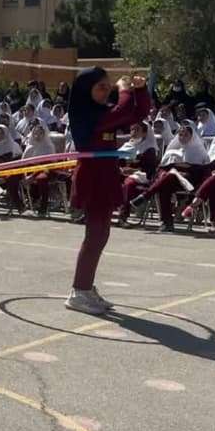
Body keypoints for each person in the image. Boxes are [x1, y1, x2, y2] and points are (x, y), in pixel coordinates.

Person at [65, 68, 151, 313]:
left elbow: (138, 114)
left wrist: (141, 90)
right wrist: (124, 89)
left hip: (107, 175)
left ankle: (86, 287)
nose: (106, 92)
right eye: (101, 87)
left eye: (107, 87)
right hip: (93, 178)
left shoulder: (104, 111)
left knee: (102, 234)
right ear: (87, 90)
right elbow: (122, 110)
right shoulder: (85, 114)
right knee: (94, 235)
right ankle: (79, 292)